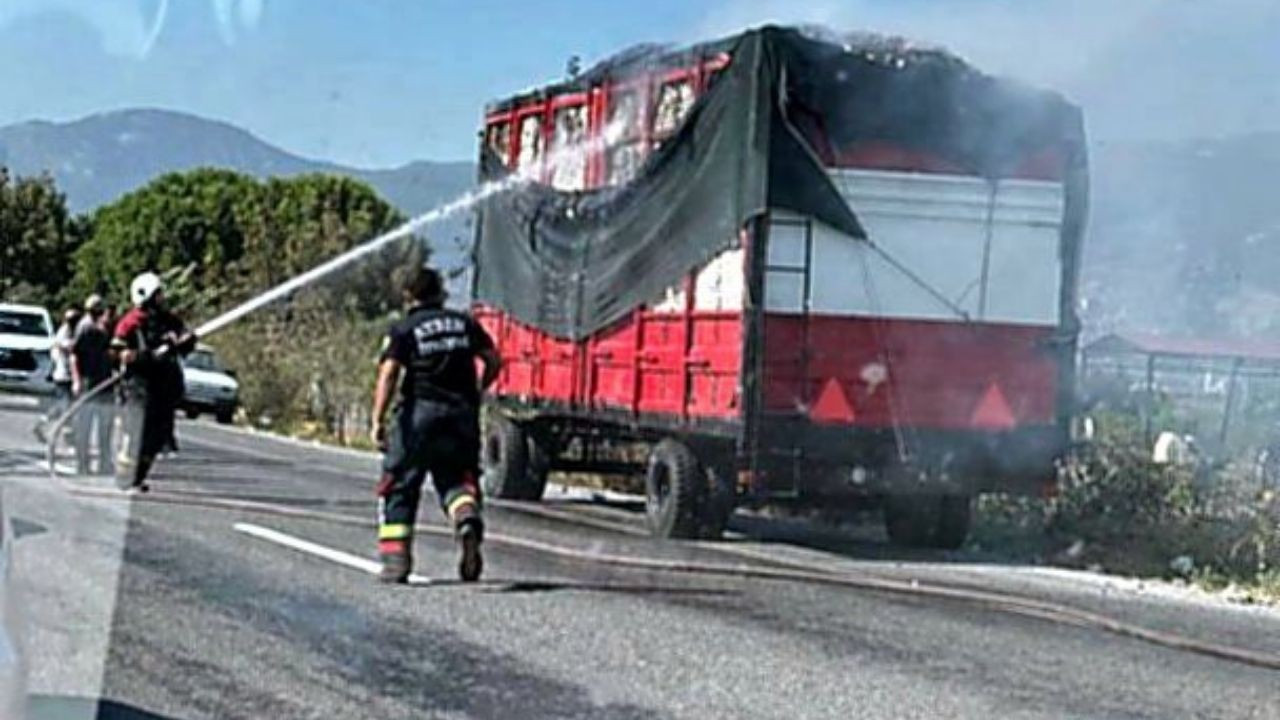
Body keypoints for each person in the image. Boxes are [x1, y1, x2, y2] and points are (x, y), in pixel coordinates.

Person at [371, 265, 500, 584]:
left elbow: (389, 374)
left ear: (408, 295)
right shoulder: (464, 324)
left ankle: (396, 561)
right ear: (440, 291)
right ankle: (465, 516)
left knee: (400, 484)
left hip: (419, 416)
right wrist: (479, 390)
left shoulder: (404, 329)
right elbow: (494, 359)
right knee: (457, 479)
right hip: (461, 416)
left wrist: (377, 420)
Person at [111, 272, 196, 491]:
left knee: (157, 438)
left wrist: (186, 341)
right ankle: (124, 476)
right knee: (135, 432)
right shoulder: (130, 323)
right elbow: (116, 352)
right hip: (139, 387)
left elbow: (184, 336)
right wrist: (141, 356)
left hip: (165, 387)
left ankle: (138, 477)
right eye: (158, 294)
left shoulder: (169, 320)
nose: (162, 298)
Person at [71, 294, 116, 475]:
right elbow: (75, 355)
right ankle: (82, 464)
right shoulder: (86, 327)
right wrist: (76, 380)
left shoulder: (102, 328)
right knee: (85, 426)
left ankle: (104, 463)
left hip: (104, 383)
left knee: (105, 426)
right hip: (89, 383)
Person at [34, 307, 82, 443]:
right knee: (67, 408)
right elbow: (68, 347)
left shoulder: (74, 332)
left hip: (70, 375)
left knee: (63, 406)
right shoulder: (64, 333)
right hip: (63, 376)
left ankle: (41, 424)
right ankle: (69, 437)